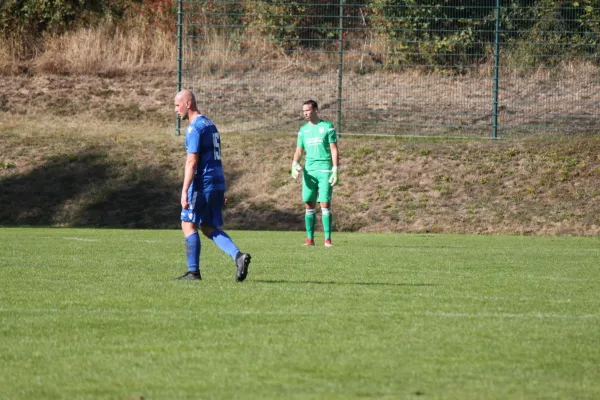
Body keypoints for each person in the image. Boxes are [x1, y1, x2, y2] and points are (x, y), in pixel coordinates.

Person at [173, 89, 251, 281]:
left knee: (188, 224)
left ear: (188, 103)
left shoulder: (195, 128)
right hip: (216, 182)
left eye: (177, 105)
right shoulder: (210, 124)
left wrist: (184, 191)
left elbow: (192, 162)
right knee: (207, 226)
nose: (175, 110)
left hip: (202, 184)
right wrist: (219, 188)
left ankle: (193, 272)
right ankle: (238, 256)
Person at [290, 99, 339, 247]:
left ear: (316, 110)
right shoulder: (303, 130)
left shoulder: (327, 127)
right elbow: (299, 149)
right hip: (309, 171)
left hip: (324, 169)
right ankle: (310, 239)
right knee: (309, 204)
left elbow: (334, 149)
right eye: (304, 110)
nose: (305, 113)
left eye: (308, 110)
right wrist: (294, 163)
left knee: (325, 203)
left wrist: (335, 169)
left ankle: (327, 239)